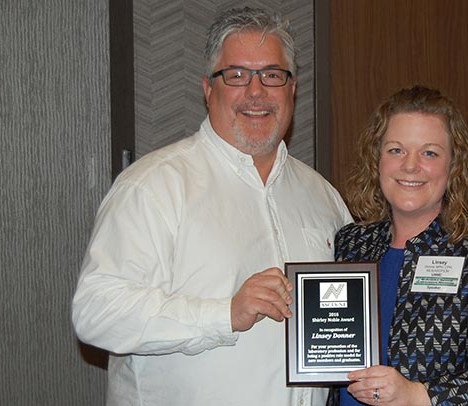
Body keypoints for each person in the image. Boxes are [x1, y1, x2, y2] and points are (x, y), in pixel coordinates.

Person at [72, 7, 352, 406]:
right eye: (236, 75)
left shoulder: (323, 197)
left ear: (292, 89)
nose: (256, 93)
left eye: (272, 75)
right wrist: (223, 315)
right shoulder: (153, 186)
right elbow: (96, 313)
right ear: (208, 88)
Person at [330, 85, 468, 405]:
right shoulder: (352, 244)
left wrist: (418, 395)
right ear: (377, 159)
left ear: (453, 166)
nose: (410, 166)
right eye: (396, 150)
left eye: (429, 153)